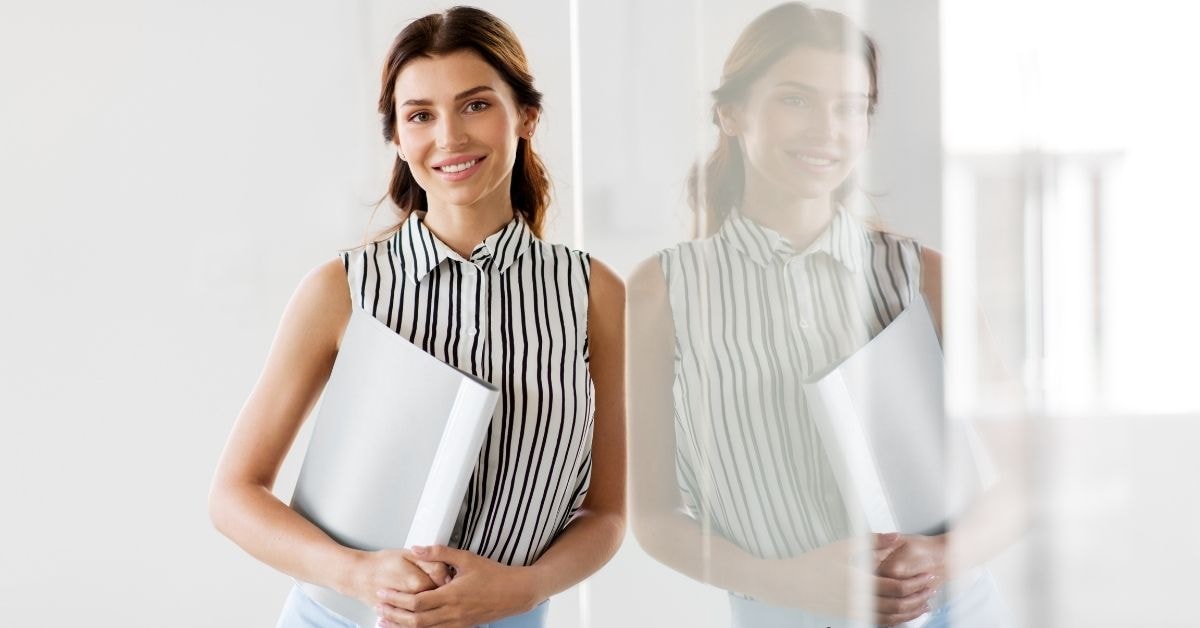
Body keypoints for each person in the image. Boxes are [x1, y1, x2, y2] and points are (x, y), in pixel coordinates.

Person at [207, 7, 626, 628]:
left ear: (527, 116)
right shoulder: (343, 289)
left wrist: (525, 588)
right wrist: (355, 573)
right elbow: (234, 495)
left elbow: (607, 512)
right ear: (398, 138)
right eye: (421, 115)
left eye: (477, 105)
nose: (449, 137)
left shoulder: (593, 293)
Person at [626, 3, 1014, 626]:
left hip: (951, 610)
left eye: (850, 107)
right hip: (781, 615)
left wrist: (943, 557)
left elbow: (1026, 478)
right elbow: (654, 517)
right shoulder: (663, 291)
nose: (827, 130)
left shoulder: (924, 277)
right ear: (730, 112)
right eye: (796, 100)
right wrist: (783, 582)